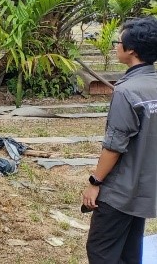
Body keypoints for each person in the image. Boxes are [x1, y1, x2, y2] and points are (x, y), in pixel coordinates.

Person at [82, 16, 157, 263]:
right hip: (144, 188)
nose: (116, 46)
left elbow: (114, 147)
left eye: (118, 41)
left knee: (101, 250)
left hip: (119, 192)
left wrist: (95, 181)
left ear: (131, 50)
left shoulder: (127, 91)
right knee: (129, 251)